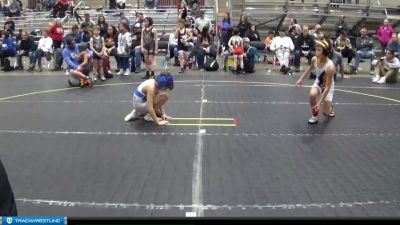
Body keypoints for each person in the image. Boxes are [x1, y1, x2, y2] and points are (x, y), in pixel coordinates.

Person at [296, 38, 336, 125]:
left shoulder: (330, 67)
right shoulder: (314, 59)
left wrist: (319, 102)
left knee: (326, 114)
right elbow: (310, 68)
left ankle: (330, 107)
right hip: (318, 82)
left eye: (319, 50)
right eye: (316, 49)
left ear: (325, 52)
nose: (316, 52)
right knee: (312, 94)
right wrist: (301, 79)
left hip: (327, 87)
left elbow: (327, 87)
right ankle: (315, 116)